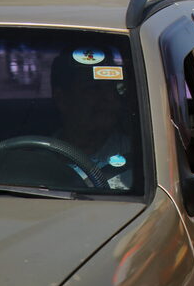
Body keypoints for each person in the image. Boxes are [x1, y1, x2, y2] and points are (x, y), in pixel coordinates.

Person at [49, 47, 133, 190]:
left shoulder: (140, 159)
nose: (109, 98)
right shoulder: (35, 161)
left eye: (112, 88)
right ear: (62, 99)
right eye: (93, 89)